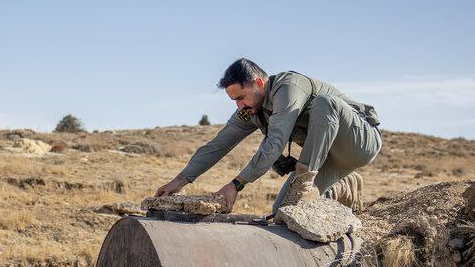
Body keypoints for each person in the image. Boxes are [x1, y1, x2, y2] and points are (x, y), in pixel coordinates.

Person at [155, 58, 382, 216]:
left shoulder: (288, 87)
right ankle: (339, 186)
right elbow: (217, 146)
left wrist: (236, 184)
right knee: (283, 212)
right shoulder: (251, 110)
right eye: (234, 100)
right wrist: (180, 180)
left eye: (241, 97)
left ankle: (307, 182)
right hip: (328, 159)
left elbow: (275, 143)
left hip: (360, 143)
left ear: (259, 83)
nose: (238, 105)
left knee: (326, 104)